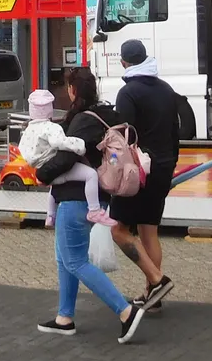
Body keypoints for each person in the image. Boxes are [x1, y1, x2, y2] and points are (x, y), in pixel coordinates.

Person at [35, 67, 145, 344]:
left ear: (73, 90)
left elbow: (69, 156)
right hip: (91, 193)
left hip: (75, 197)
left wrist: (42, 173)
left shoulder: (83, 120)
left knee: (76, 260)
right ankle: (64, 318)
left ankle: (125, 311)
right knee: (65, 258)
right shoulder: (107, 115)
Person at [110, 39, 177, 313]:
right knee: (149, 230)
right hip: (164, 166)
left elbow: (123, 137)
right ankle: (153, 295)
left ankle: (157, 280)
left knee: (119, 230)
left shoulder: (128, 93)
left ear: (125, 62)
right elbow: (175, 131)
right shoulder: (166, 89)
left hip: (140, 172)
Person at [19, 88, 116, 228]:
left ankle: (50, 216)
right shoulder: (51, 128)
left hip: (43, 169)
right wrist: (79, 145)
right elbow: (60, 142)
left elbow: (24, 149)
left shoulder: (28, 130)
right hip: (58, 170)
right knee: (91, 175)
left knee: (53, 187)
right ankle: (94, 210)